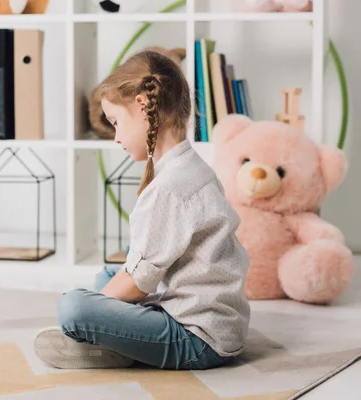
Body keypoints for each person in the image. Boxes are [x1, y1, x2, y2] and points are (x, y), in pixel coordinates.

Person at [32, 49, 251, 371]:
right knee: (108, 274)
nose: (116, 137)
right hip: (212, 320)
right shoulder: (191, 168)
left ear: (142, 105)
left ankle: (108, 341)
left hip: (198, 340)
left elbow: (138, 283)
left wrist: (98, 311)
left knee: (75, 308)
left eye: (116, 122)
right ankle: (122, 340)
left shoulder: (170, 186)